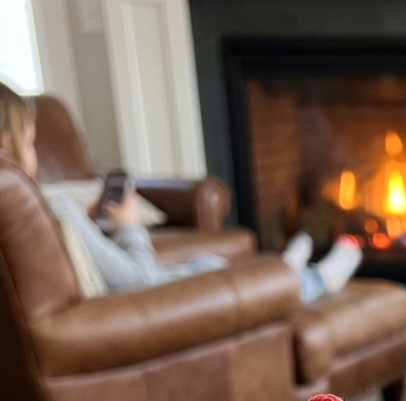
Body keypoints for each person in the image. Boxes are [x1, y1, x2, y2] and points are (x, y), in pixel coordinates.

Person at [0, 82, 360, 302]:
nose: (34, 155)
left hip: (128, 301)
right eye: (30, 142)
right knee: (233, 282)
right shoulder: (57, 210)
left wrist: (90, 227)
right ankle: (318, 279)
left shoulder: (30, 217)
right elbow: (138, 280)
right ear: (7, 142)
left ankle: (283, 267)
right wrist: (128, 224)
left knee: (209, 264)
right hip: (143, 303)